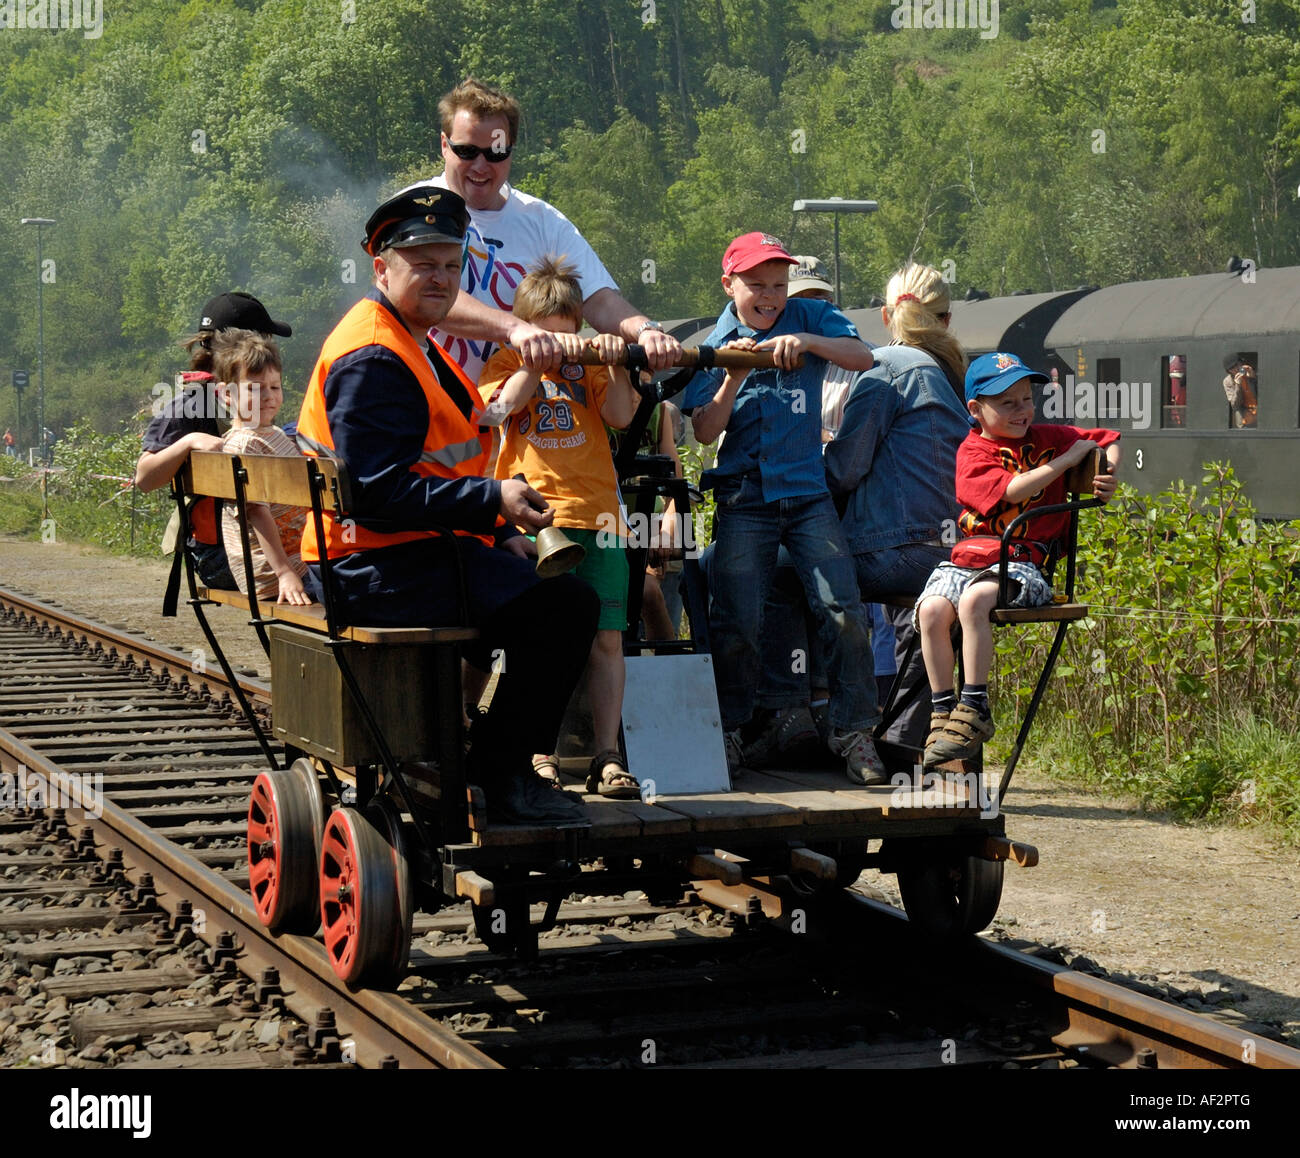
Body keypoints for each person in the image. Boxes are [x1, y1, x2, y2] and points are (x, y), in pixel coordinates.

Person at [294, 183, 596, 825]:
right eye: (423, 264)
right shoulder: (376, 357)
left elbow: (424, 466)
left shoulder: (407, 334)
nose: (441, 277)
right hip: (369, 566)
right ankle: (504, 776)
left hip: (403, 552)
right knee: (565, 608)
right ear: (382, 268)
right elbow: (375, 495)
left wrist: (493, 532)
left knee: (549, 598)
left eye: (451, 265)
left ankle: (476, 757)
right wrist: (493, 502)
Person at [750, 262, 971, 765]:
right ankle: (904, 742)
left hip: (895, 550)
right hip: (952, 555)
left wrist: (797, 466)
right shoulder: (956, 376)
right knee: (921, 613)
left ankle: (799, 714)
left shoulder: (886, 367)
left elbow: (845, 471)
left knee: (784, 569)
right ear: (947, 319)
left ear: (888, 314)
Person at [682, 231, 877, 782]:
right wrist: (733, 376)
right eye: (756, 285)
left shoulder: (810, 317)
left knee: (843, 610)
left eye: (777, 284)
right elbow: (702, 431)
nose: (770, 296)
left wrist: (810, 344)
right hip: (744, 499)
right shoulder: (713, 343)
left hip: (808, 496)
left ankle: (854, 731)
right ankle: (730, 732)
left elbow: (863, 357)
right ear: (729, 284)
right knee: (737, 621)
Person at [477, 255, 640, 798]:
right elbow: (498, 411)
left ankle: (606, 755)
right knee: (537, 638)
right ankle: (537, 750)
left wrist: (615, 361)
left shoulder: (591, 361)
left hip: (599, 518)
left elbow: (619, 415)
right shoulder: (504, 360)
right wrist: (534, 360)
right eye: (544, 332)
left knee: (607, 640)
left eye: (564, 330)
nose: (558, 341)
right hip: (535, 519)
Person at [916, 351, 1121, 767]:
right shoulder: (972, 453)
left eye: (1027, 399)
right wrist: (1066, 461)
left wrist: (1106, 473)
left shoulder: (1048, 437)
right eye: (1007, 403)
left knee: (974, 603)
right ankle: (942, 711)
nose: (1022, 411)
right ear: (975, 410)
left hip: (1023, 563)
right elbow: (1013, 491)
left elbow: (1111, 438)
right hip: (970, 559)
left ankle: (975, 707)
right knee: (933, 611)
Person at [416, 77, 682, 382]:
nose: (480, 165)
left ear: (511, 151)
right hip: (434, 406)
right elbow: (429, 297)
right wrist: (516, 328)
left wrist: (646, 331)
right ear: (444, 145)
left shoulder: (542, 219)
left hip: (520, 419)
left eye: (496, 153)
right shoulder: (418, 209)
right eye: (467, 151)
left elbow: (597, 298)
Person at [135, 292, 292, 592]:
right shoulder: (190, 405)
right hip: (223, 557)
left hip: (263, 545)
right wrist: (189, 442)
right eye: (268, 338)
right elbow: (144, 478)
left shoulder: (250, 396)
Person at [211, 329, 310, 606]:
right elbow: (255, 511)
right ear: (226, 394)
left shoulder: (274, 434)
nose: (268, 396)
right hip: (276, 574)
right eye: (255, 388)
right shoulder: (243, 445)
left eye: (275, 387)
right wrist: (285, 573)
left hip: (298, 560)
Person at [1222, 354, 1257, 428]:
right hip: (1245, 410)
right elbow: (1235, 405)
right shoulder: (1228, 381)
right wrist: (1237, 385)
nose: (1236, 369)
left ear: (1241, 363)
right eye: (1232, 368)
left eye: (1237, 365)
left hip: (1259, 407)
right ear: (1229, 371)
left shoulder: (1250, 371)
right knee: (1238, 411)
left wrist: (1253, 377)